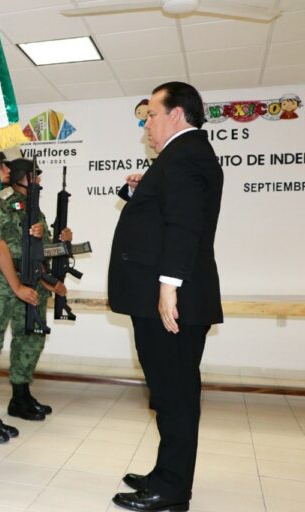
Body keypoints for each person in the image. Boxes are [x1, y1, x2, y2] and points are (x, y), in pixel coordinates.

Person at [109, 81, 223, 512]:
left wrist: (169, 286)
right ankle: (165, 472)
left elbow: (185, 226)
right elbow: (167, 215)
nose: (146, 124)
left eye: (151, 114)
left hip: (173, 301)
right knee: (169, 392)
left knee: (175, 395)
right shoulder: (179, 158)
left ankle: (172, 491)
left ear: (176, 114)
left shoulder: (186, 155)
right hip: (165, 299)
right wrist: (143, 190)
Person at [0, 157, 72, 445]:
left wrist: (61, 241)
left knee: (30, 338)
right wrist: (17, 285)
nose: (38, 180)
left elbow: (41, 250)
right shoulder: (1, 205)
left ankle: (20, 396)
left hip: (29, 277)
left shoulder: (35, 210)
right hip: (1, 281)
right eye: (34, 175)